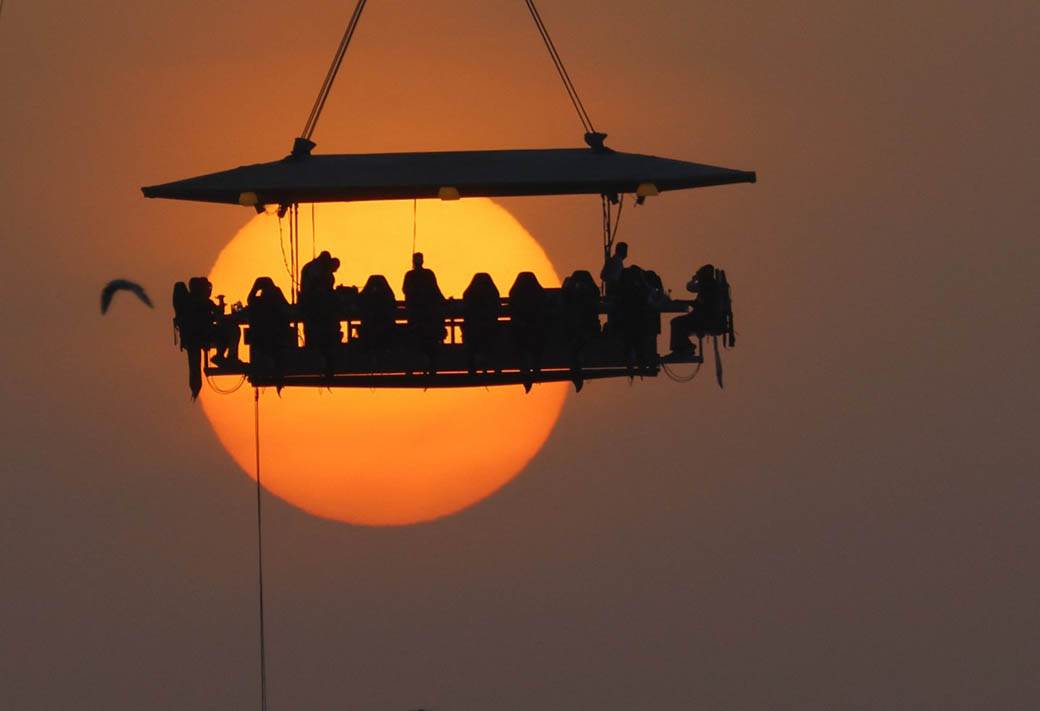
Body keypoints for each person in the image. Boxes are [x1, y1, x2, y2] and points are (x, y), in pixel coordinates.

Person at [402, 252, 445, 374]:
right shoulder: (428, 274)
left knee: (416, 342)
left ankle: (412, 366)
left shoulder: (410, 275)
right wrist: (445, 302)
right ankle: (431, 365)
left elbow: (405, 290)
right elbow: (436, 291)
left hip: (416, 319)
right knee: (429, 341)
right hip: (429, 320)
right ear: (422, 261)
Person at [669, 264, 725, 354]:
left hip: (704, 320)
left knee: (677, 323)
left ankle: (684, 348)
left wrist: (684, 302)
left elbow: (700, 304)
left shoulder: (708, 286)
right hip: (702, 318)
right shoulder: (707, 285)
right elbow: (691, 288)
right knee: (678, 322)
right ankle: (682, 348)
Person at [560, 269, 600, 390]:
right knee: (577, 346)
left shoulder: (569, 291)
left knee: (575, 346)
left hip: (575, 331)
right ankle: (577, 373)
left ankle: (576, 373)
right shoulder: (592, 291)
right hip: (585, 330)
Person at [508, 271, 548, 390]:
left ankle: (526, 371)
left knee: (521, 345)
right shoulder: (540, 294)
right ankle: (534, 369)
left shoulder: (515, 293)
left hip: (521, 332)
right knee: (535, 343)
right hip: (535, 331)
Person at [299, 251, 342, 350]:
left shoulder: (313, 267)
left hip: (313, 306)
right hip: (315, 307)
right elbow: (321, 289)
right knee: (317, 334)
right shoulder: (317, 270)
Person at [462, 273, 501, 375]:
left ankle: (472, 368)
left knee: (471, 342)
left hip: (472, 332)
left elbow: (465, 311)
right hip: (490, 331)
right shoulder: (492, 294)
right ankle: (494, 366)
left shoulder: (469, 294)